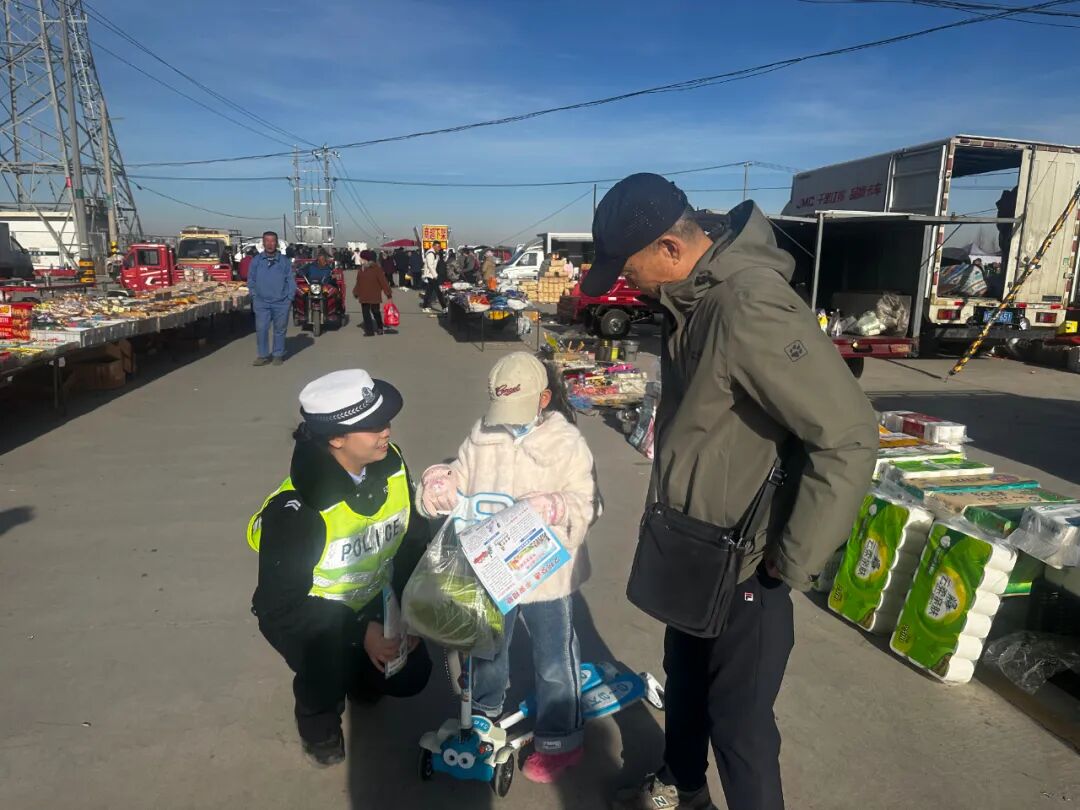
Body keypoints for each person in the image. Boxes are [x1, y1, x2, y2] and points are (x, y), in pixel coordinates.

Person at [580, 175, 877, 810]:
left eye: (631, 270)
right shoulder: (693, 297)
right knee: (685, 683)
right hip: (693, 549)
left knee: (740, 726)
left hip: (746, 563)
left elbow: (847, 436)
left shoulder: (747, 305)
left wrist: (791, 559)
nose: (630, 286)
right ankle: (681, 787)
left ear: (668, 247)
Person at [415, 352, 600, 784]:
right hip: (493, 566)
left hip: (548, 572)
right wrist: (441, 483)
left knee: (554, 657)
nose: (508, 422)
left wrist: (553, 506)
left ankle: (560, 735)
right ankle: (483, 711)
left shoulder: (566, 443)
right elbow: (459, 474)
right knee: (487, 647)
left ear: (544, 400)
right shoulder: (482, 435)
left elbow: (585, 502)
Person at [248, 369, 433, 767]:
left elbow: (411, 539)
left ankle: (363, 679)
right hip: (312, 619)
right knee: (325, 672)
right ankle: (318, 723)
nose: (387, 432)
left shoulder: (391, 463)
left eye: (385, 422)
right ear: (336, 439)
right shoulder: (296, 512)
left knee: (412, 673)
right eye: (373, 427)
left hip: (371, 599)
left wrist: (411, 611)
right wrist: (358, 633)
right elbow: (277, 608)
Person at [247, 230, 297, 366]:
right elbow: (251, 279)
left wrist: (289, 298)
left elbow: (291, 280)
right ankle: (263, 355)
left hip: (281, 303)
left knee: (280, 329)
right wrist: (254, 294)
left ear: (277, 243)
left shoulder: (284, 261)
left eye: (272, 241)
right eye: (267, 241)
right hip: (261, 302)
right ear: (263, 243)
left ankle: (277, 354)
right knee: (261, 329)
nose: (270, 244)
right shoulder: (256, 260)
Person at [353, 249, 392, 336]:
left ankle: (380, 327)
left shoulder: (376, 269)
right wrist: (356, 292)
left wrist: (388, 294)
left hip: (374, 294)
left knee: (376, 312)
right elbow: (358, 282)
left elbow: (383, 282)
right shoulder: (361, 269)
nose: (360, 260)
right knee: (366, 314)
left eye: (361, 258)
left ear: (366, 259)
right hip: (364, 295)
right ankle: (369, 331)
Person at [421, 244, 439, 312]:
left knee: (429, 292)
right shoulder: (430, 255)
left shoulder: (433, 255)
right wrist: (435, 275)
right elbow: (431, 267)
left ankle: (426, 305)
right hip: (430, 276)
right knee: (429, 292)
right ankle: (425, 306)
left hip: (431, 276)